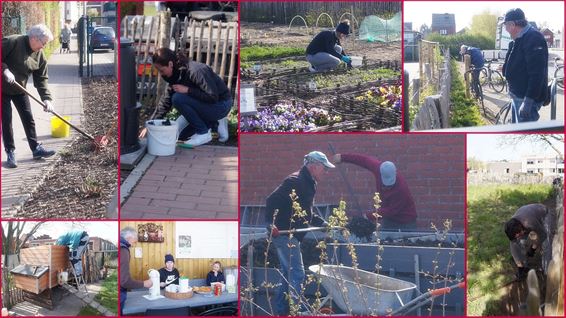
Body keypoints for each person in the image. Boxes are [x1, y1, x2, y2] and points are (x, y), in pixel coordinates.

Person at [265, 151, 335, 315]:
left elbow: (305, 211)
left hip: (291, 235)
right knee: (297, 273)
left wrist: (321, 223)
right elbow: (271, 200)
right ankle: (295, 311)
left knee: (288, 275)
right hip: (283, 234)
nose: (326, 172)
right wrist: (270, 224)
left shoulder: (310, 182)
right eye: (324, 168)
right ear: (314, 166)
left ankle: (282, 311)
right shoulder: (295, 181)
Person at [151, 48, 232, 146]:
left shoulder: (196, 71)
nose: (161, 74)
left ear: (170, 64)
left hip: (220, 105)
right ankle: (214, 123)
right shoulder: (174, 75)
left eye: (162, 70)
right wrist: (151, 124)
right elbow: (166, 102)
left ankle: (204, 132)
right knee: (179, 135)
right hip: (203, 105)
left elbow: (212, 97)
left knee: (177, 98)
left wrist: (188, 90)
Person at [2, 24, 56, 168]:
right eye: (43, 43)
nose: (43, 47)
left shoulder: (40, 55)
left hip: (19, 89)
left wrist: (46, 98)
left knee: (28, 118)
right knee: (6, 120)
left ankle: (36, 149)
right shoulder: (13, 42)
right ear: (33, 38)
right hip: (2, 88)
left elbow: (41, 79)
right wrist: (5, 70)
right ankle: (10, 152)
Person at [333, 153, 417, 230]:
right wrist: (342, 157)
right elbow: (363, 160)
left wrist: (368, 217)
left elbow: (390, 210)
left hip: (406, 221)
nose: (387, 186)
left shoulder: (401, 189)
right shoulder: (378, 168)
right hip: (389, 220)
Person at [501, 8, 549, 123]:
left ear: (512, 24)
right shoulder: (519, 38)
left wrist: (528, 102)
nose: (506, 29)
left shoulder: (533, 38)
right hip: (517, 96)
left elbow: (537, 74)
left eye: (505, 26)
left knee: (525, 136)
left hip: (525, 99)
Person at [504, 204, 550, 279]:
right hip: (526, 215)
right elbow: (514, 244)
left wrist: (533, 248)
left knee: (545, 244)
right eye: (516, 236)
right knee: (519, 242)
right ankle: (524, 267)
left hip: (543, 213)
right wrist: (520, 268)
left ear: (521, 229)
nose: (518, 237)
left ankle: (546, 270)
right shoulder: (513, 228)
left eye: (518, 234)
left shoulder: (530, 223)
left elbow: (542, 235)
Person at [120, 227, 152, 315]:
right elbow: (124, 281)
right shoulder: (123, 250)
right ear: (129, 237)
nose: (135, 243)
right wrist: (144, 284)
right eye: (135, 240)